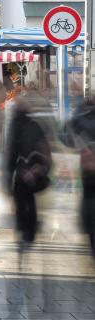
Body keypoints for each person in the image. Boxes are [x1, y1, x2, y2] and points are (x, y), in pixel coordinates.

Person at [4, 98, 52, 244]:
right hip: (33, 169)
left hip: (21, 170)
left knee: (20, 199)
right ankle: (29, 232)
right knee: (29, 200)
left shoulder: (13, 126)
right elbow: (43, 148)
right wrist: (38, 169)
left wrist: (11, 171)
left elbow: (11, 152)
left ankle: (23, 229)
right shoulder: (34, 125)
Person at [70, 98, 95, 257]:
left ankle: (89, 230)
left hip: (87, 169)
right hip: (88, 169)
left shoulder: (79, 115)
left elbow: (67, 136)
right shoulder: (80, 115)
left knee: (88, 200)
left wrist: (82, 147)